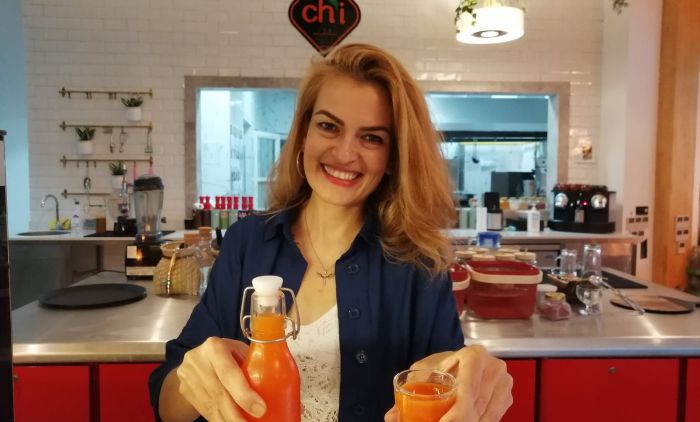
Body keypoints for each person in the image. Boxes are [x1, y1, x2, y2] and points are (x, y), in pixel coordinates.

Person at [149, 43, 513, 422]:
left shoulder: (420, 263)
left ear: (393, 158)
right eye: (328, 126)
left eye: (371, 138)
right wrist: (191, 379)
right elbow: (167, 402)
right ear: (304, 133)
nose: (344, 154)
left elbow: (444, 375)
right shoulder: (247, 241)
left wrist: (467, 379)